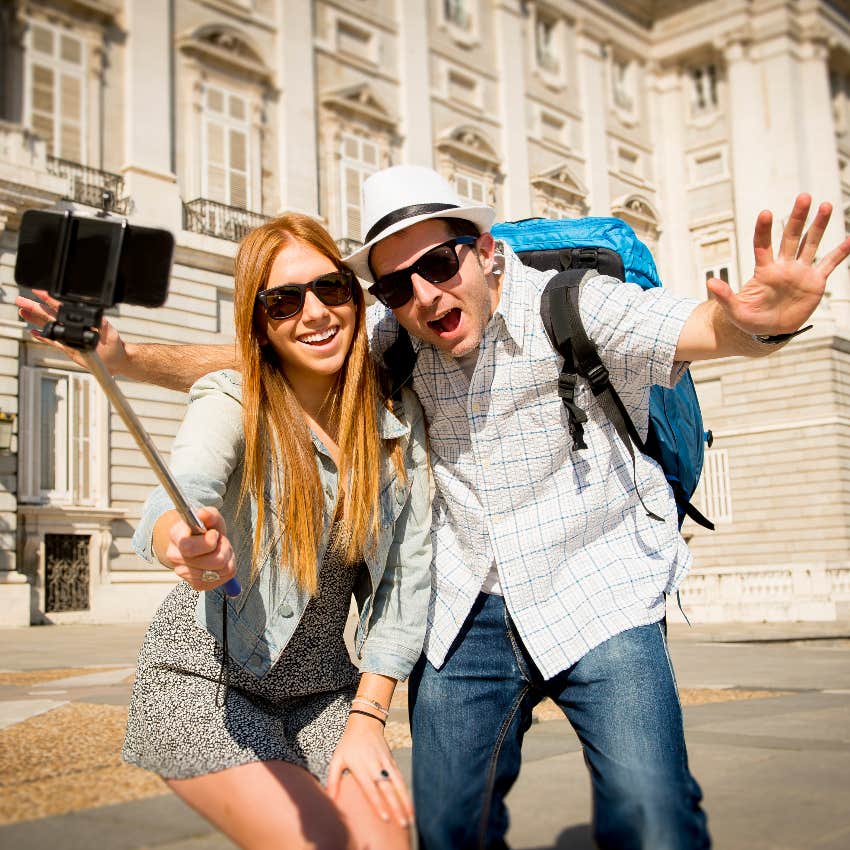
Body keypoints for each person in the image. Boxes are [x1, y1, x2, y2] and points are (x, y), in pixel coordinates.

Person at [17, 166, 850, 850]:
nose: (422, 292)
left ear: (485, 252)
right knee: (445, 831)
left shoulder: (570, 308)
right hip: (440, 617)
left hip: (594, 587)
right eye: (394, 283)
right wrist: (125, 372)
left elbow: (694, 326)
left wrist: (764, 326)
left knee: (652, 817)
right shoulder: (384, 344)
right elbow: (223, 413)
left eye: (441, 264)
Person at [97, 213, 430, 850]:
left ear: (353, 294)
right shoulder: (232, 397)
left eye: (330, 288)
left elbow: (406, 583)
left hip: (323, 686)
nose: (314, 313)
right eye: (283, 301)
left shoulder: (391, 421)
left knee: (388, 843)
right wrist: (184, 540)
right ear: (260, 323)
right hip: (206, 683)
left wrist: (369, 715)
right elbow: (181, 489)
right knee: (321, 843)